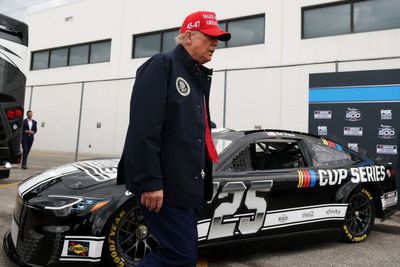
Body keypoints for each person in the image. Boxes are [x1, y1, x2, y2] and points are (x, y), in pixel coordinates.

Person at [117, 11, 230, 267]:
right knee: (180, 255)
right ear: (188, 37)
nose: (215, 43)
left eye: (218, 39)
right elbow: (144, 128)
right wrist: (150, 182)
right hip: (164, 187)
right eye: (210, 37)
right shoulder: (162, 65)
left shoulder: (197, 75)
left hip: (187, 187)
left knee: (185, 255)